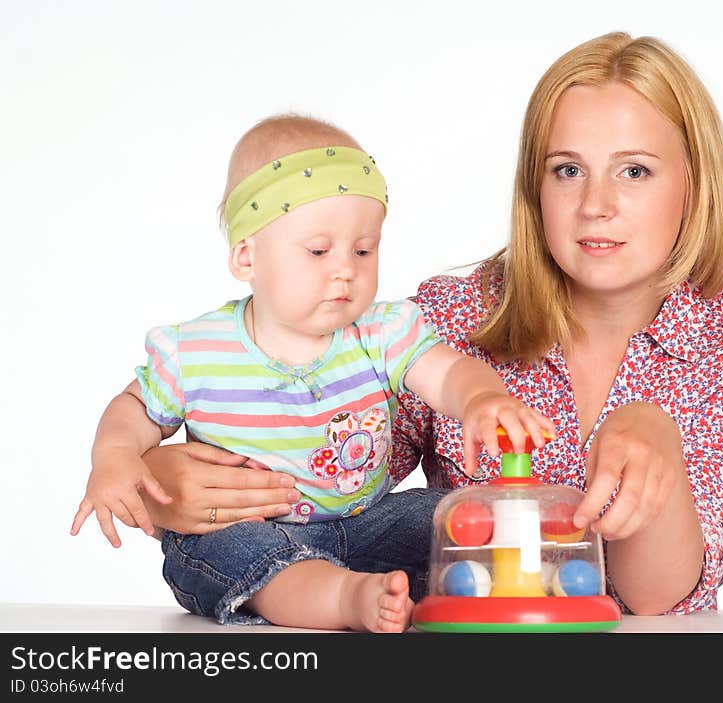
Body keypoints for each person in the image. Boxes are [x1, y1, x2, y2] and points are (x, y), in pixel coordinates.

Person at [137, 32, 723, 617]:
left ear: (695, 182)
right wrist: (191, 483)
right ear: (534, 187)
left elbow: (658, 599)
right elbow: (330, 476)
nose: (596, 205)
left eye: (634, 170)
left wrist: (652, 436)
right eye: (567, 170)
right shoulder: (452, 317)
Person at [70, 114, 555, 632]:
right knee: (234, 550)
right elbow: (136, 409)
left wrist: (481, 399)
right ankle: (347, 599)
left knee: (440, 515)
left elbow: (446, 373)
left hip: (364, 525)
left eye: (363, 250)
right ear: (246, 257)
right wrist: (115, 455)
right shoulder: (195, 349)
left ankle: (449, 589)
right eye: (319, 251)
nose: (345, 268)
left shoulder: (381, 333)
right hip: (249, 532)